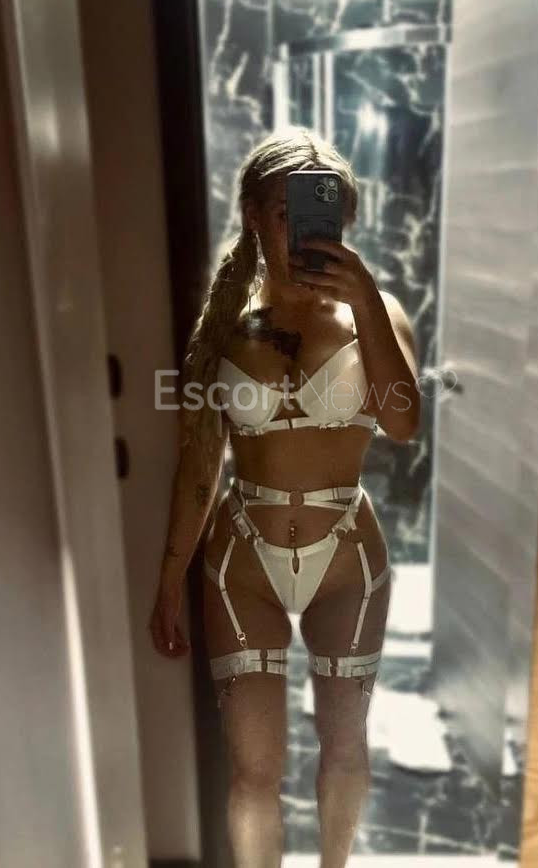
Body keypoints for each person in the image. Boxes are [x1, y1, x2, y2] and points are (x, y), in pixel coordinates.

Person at [150, 127, 421, 868]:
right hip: (242, 564)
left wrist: (365, 299)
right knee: (253, 772)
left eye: (327, 212)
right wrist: (169, 581)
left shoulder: (377, 313)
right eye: (285, 211)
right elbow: (197, 470)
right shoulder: (224, 326)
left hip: (347, 560)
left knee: (345, 747)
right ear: (253, 216)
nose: (306, 229)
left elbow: (403, 423)